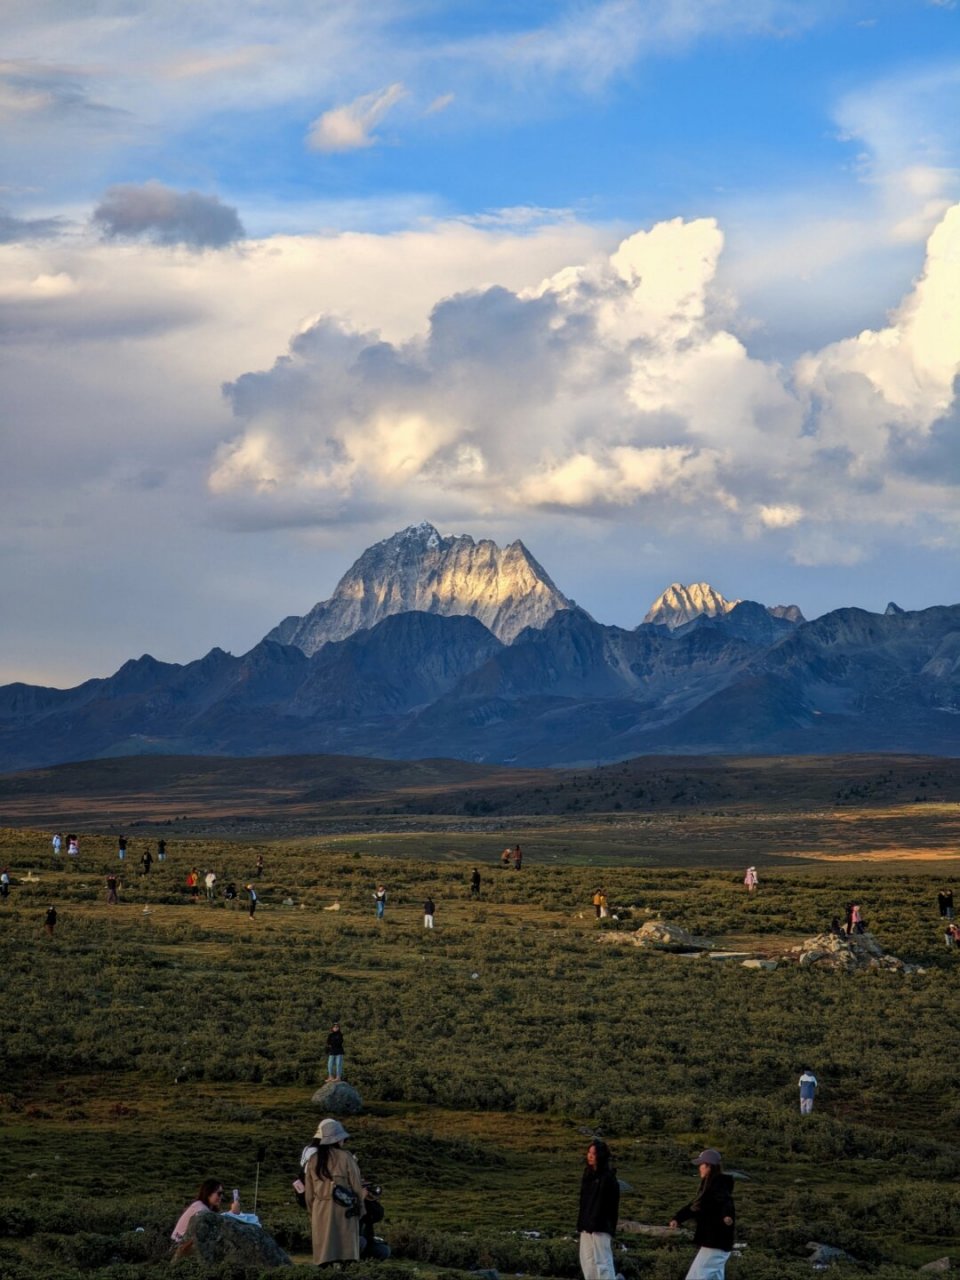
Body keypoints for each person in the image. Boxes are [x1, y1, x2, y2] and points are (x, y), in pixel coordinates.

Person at [304, 1118, 367, 1265]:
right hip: (345, 1209)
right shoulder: (346, 1157)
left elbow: (309, 1194)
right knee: (347, 1253)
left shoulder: (313, 1159)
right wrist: (361, 1208)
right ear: (337, 1139)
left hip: (321, 1209)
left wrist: (312, 1212)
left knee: (324, 1253)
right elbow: (356, 1185)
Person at [668, 1148, 736, 1280]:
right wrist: (678, 1218)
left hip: (715, 1241)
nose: (699, 1168)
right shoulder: (709, 1185)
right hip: (717, 1242)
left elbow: (726, 1202)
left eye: (701, 1165)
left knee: (696, 1276)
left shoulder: (718, 1185)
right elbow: (696, 1206)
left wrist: (727, 1216)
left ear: (709, 1166)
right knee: (714, 1276)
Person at [576, 1138, 620, 1280]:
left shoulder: (608, 1178)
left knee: (602, 1260)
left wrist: (597, 1221)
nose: (589, 1156)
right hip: (586, 1224)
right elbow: (584, 1201)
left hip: (600, 1225)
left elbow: (608, 1206)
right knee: (587, 1259)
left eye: (593, 1154)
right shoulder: (588, 1175)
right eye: (589, 1152)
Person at [171, 1179, 240, 1245]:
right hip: (179, 1244)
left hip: (182, 1242)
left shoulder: (202, 1206)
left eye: (222, 1193)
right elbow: (215, 1222)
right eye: (219, 1193)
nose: (221, 1196)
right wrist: (232, 1213)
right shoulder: (199, 1207)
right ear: (208, 1193)